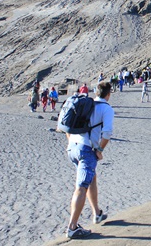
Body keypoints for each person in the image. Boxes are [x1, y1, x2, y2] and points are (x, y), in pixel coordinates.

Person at [64, 82, 114, 239]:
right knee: (81, 187)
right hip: (86, 150)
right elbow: (107, 133)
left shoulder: (86, 104)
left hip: (73, 146)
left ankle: (97, 213)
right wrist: (99, 150)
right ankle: (72, 227)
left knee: (92, 177)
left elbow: (68, 126)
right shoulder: (106, 109)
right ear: (108, 94)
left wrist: (72, 143)